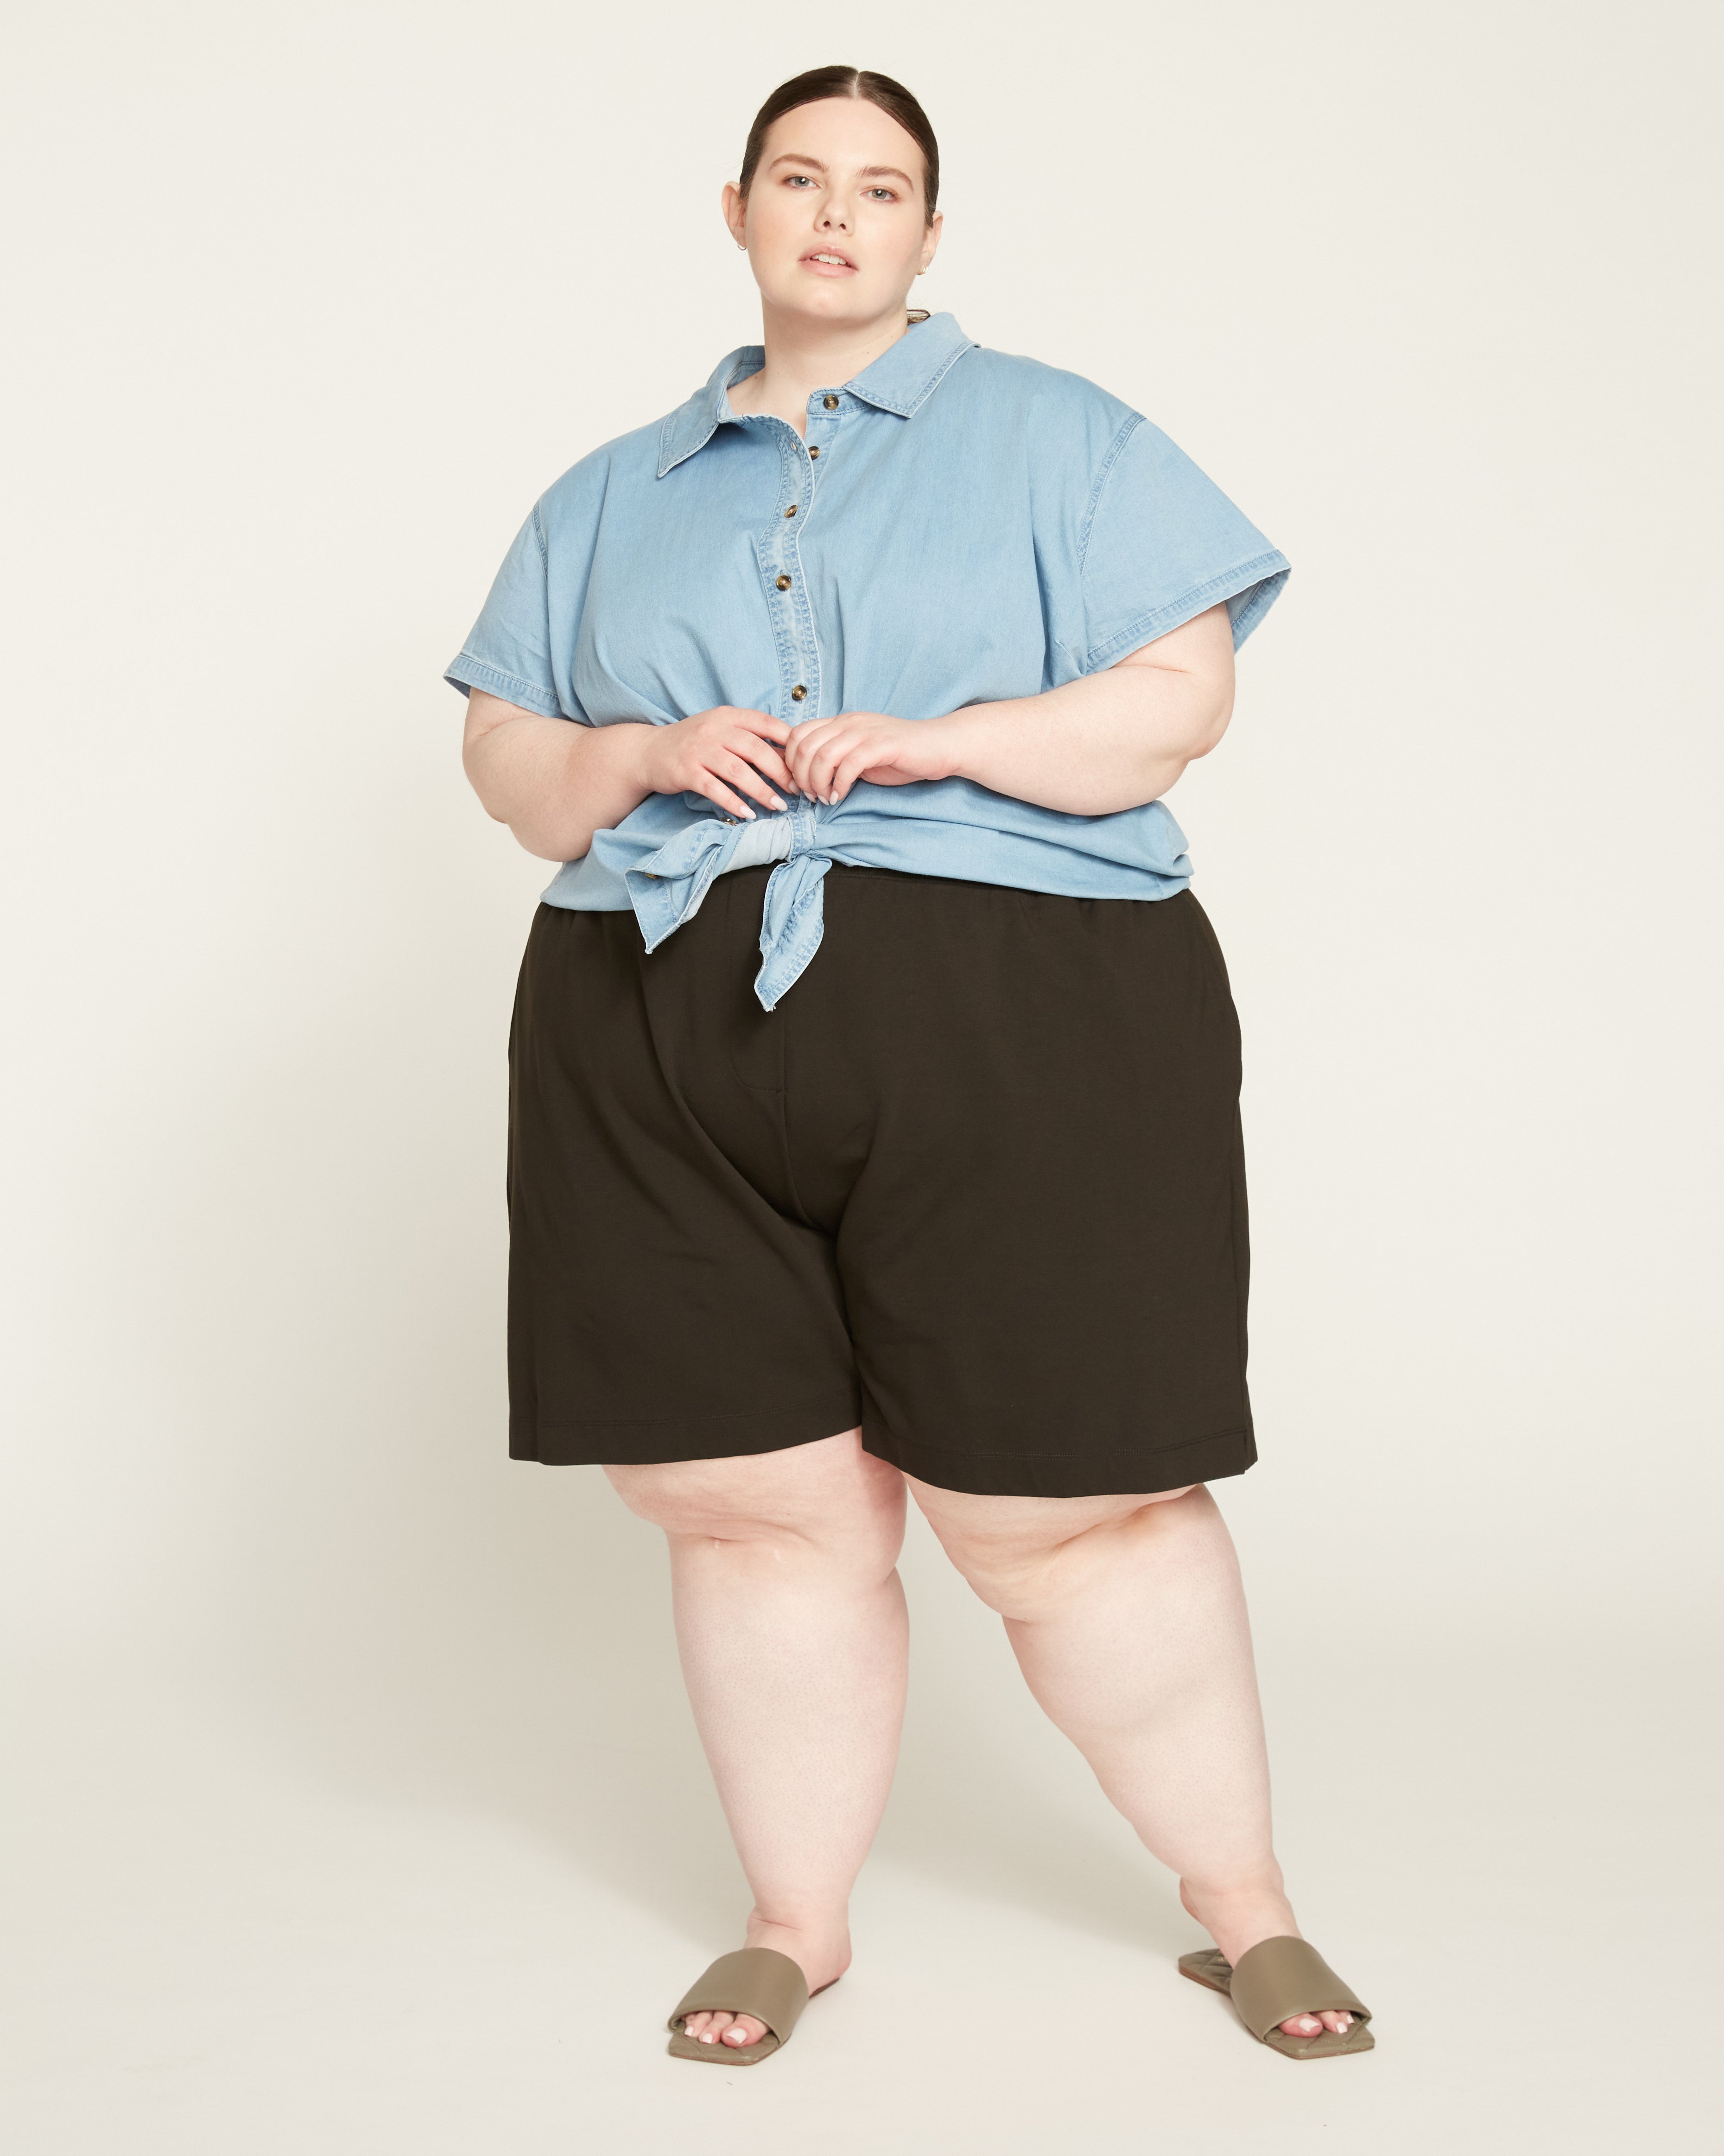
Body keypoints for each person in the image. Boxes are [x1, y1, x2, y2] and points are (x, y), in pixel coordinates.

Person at [449, 65, 1374, 2066]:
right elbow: (509, 759)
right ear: (738, 210)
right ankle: (794, 1920)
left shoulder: (1066, 436)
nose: (837, 214)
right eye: (801, 177)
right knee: (747, 1498)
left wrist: (940, 741)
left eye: (881, 188)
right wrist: (637, 751)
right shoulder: (609, 489)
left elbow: (1176, 700)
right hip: (649, 1014)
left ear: (929, 232)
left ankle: (1248, 1905)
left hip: (1025, 1013)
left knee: (1076, 1503)